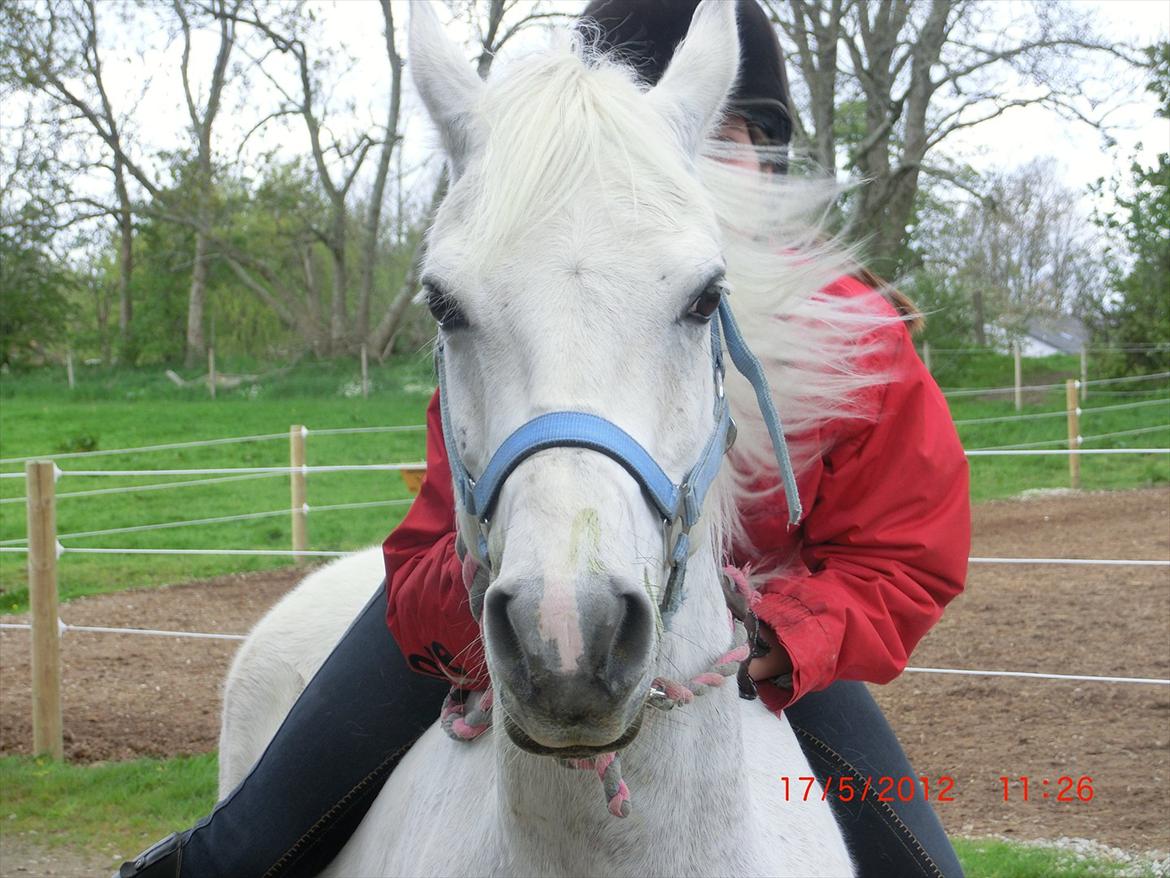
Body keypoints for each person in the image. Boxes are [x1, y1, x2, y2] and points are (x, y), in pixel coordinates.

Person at [119, 2, 969, 876]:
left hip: (768, 651)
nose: (703, 161)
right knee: (246, 849)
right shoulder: (524, 300)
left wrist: (789, 634)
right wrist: (504, 594)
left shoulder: (856, 334)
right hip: (504, 587)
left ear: (773, 153)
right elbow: (430, 541)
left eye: (731, 132)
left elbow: (905, 554)